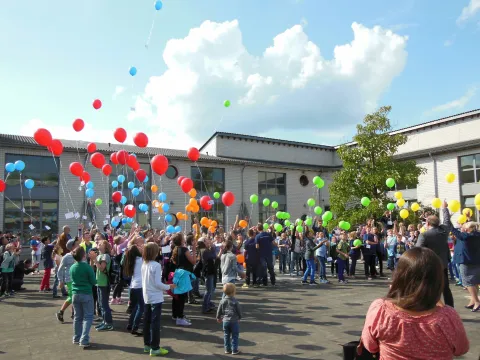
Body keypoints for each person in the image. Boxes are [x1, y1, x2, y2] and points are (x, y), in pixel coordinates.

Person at [361, 247, 469, 359]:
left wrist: (395, 294)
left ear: (399, 276)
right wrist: (435, 298)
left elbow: (370, 346)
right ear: (438, 279)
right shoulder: (448, 317)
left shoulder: (381, 310)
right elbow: (461, 349)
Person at [443, 204, 480, 311]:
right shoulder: (476, 234)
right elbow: (472, 226)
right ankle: (473, 300)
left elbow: (450, 226)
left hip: (466, 261)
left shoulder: (465, 236)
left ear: (467, 229)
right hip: (475, 261)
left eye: (465, 225)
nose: (462, 225)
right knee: (474, 281)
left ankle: (477, 301)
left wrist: (445, 209)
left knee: (468, 282)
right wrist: (469, 218)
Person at [142, 242, 175, 356]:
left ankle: (147, 345)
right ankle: (155, 347)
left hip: (147, 296)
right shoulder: (155, 265)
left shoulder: (144, 264)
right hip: (155, 297)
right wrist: (168, 287)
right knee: (155, 323)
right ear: (154, 252)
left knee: (147, 321)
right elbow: (157, 283)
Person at [416, 209, 454, 308]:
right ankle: (450, 309)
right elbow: (446, 221)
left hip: (430, 265)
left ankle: (431, 308)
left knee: (429, 288)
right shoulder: (444, 231)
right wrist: (445, 208)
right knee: (446, 288)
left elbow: (417, 249)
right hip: (443, 264)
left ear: (427, 223)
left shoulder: (424, 235)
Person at [70, 246, 96, 348]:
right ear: (84, 256)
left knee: (77, 317)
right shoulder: (87, 267)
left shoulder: (72, 267)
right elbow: (93, 281)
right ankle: (84, 340)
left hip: (75, 294)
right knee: (88, 317)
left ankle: (76, 337)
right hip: (86, 293)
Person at [170, 233, 196, 326]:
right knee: (182, 297)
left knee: (177, 296)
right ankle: (179, 318)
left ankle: (175, 315)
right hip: (184, 274)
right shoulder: (184, 249)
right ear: (181, 240)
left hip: (177, 274)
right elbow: (193, 261)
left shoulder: (175, 249)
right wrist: (194, 248)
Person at [90, 240, 113, 331]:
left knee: (104, 304)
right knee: (100, 303)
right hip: (99, 282)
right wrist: (92, 259)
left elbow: (102, 269)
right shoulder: (99, 255)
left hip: (104, 282)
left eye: (100, 244)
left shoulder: (105, 256)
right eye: (98, 244)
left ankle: (109, 323)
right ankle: (104, 321)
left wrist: (95, 259)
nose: (98, 245)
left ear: (105, 246)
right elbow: (92, 267)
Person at [56, 238, 78, 323]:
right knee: (72, 297)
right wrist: (61, 280)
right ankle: (61, 312)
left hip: (78, 279)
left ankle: (73, 313)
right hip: (70, 280)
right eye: (76, 244)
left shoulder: (79, 255)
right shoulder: (67, 256)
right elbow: (60, 269)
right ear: (72, 247)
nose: (79, 245)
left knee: (74, 297)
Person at [123, 244, 143, 335]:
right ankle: (135, 327)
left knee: (135, 307)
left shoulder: (130, 261)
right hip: (140, 286)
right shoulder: (140, 260)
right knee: (141, 308)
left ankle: (130, 324)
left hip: (133, 286)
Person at [217, 283, 242, 355]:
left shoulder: (222, 301)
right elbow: (238, 311)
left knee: (226, 335)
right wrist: (240, 317)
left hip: (225, 321)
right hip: (234, 321)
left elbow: (219, 310)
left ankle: (227, 349)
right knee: (235, 336)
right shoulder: (235, 301)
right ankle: (234, 350)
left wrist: (218, 317)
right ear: (234, 292)